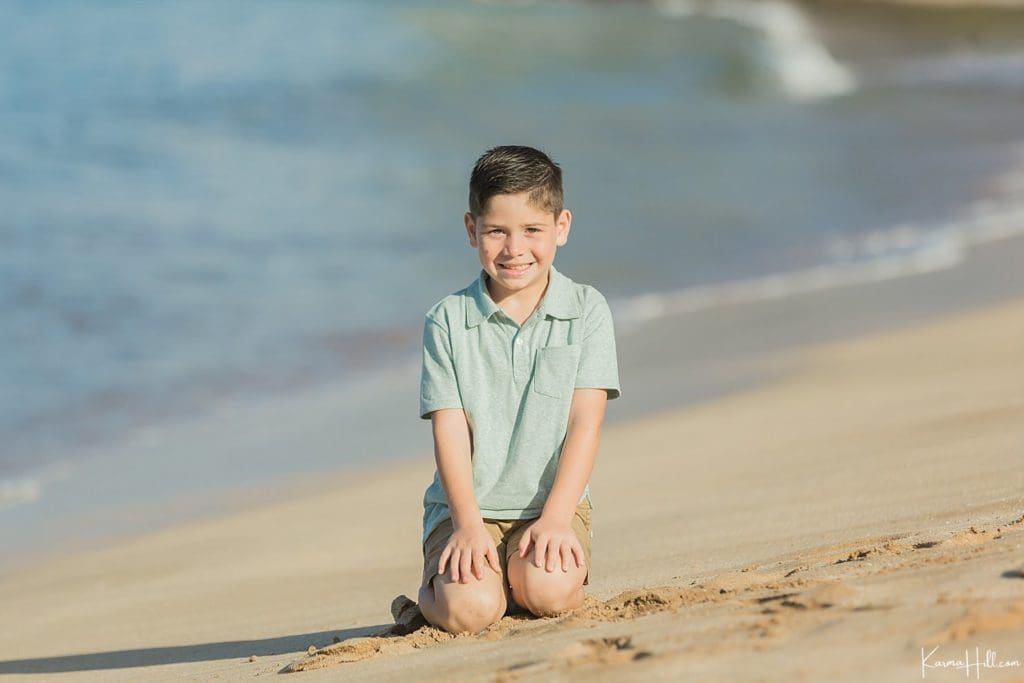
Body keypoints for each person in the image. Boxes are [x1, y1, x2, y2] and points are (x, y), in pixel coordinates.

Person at [416, 145, 621, 634]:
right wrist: (466, 524)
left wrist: (556, 519)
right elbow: (450, 433)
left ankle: (517, 578)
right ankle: (430, 599)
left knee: (548, 592)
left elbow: (584, 425)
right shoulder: (448, 320)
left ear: (561, 227)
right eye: (496, 232)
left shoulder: (587, 309)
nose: (514, 249)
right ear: (472, 231)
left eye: (532, 230)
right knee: (470, 612)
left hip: (553, 505)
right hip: (467, 509)